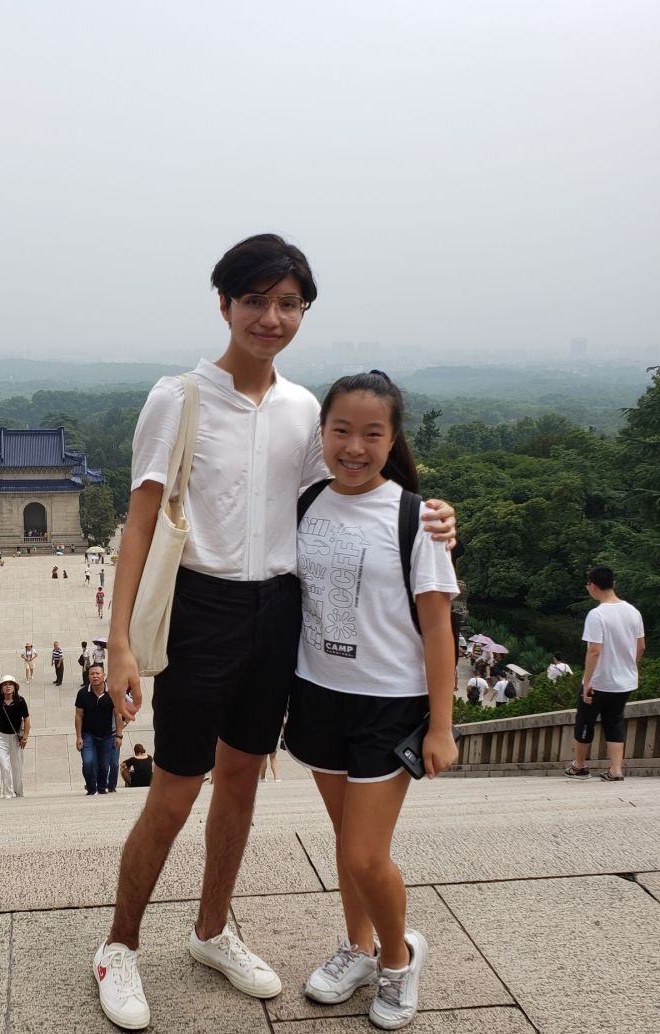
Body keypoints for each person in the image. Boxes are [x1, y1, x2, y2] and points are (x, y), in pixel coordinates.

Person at [95, 234, 456, 1031]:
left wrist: (432, 513)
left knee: (240, 782)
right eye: (255, 300)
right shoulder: (179, 397)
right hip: (203, 609)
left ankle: (212, 929)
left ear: (303, 313)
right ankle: (120, 945)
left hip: (278, 614)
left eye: (288, 303)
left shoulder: (303, 409)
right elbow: (141, 518)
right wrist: (118, 642)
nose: (271, 316)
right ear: (223, 304)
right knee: (174, 790)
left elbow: (354, 483)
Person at [284, 371, 459, 1030]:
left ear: (393, 439)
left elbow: (437, 625)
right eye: (341, 431)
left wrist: (442, 725)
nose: (354, 446)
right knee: (347, 838)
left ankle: (397, 958)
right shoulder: (305, 501)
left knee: (364, 853)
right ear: (322, 432)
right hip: (318, 692)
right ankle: (356, 946)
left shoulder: (417, 518)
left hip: (389, 701)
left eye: (372, 433)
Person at [566, 566, 645, 781]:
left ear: (592, 585)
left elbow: (594, 650)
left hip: (599, 681)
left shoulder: (597, 614)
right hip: (625, 681)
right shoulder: (633, 611)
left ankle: (580, 766)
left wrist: (587, 681)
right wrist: (630, 666)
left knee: (585, 721)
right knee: (614, 721)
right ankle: (616, 769)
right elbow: (641, 647)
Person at [75, 663, 123, 796]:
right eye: (92, 674)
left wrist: (119, 735)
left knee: (104, 765)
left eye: (98, 673)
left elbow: (118, 714)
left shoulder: (112, 692)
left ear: (104, 675)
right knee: (88, 762)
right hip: (88, 734)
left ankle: (102, 788)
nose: (95, 676)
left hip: (107, 735)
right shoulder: (83, 693)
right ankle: (91, 788)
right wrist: (79, 737)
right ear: (88, 676)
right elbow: (79, 716)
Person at [0, 675, 30, 798]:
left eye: (10, 684)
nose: (7, 686)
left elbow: (27, 719)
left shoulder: (21, 701)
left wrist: (25, 737)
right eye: (5, 684)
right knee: (5, 766)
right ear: (0, 688)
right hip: (1, 737)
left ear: (15, 687)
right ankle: (8, 793)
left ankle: (19, 791)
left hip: (16, 738)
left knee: (17, 766)